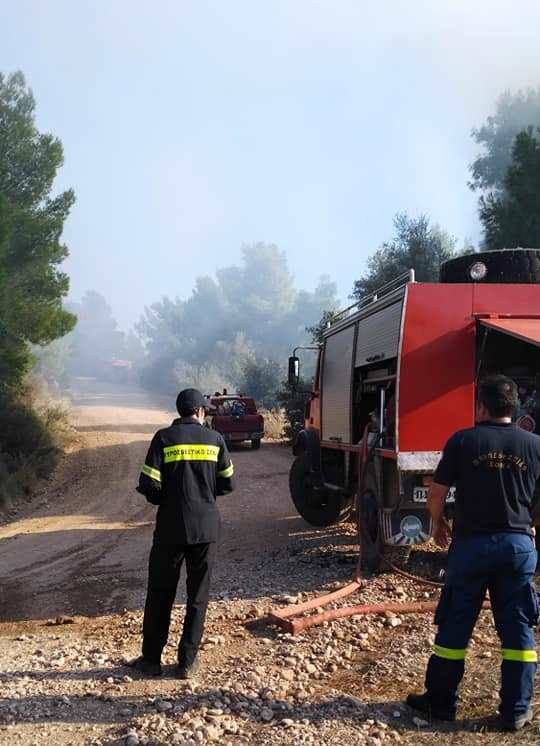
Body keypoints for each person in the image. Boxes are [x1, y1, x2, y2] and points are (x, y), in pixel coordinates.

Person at [407, 375, 540, 731]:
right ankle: (515, 711)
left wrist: (437, 525)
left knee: (455, 624)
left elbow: (436, 492)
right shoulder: (535, 445)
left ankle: (440, 703)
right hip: (517, 548)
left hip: (471, 548)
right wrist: (530, 525)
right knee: (518, 631)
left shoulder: (463, 441)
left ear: (481, 406)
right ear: (514, 408)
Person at [129, 388, 235, 678]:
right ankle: (187, 662)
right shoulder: (215, 440)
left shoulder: (163, 438)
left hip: (170, 527)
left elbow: (148, 483)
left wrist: (169, 499)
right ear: (200, 412)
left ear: (180, 411)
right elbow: (228, 483)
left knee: (160, 592)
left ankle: (151, 660)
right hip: (205, 529)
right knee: (197, 596)